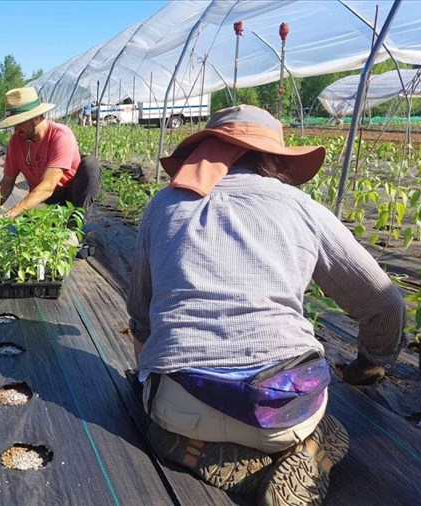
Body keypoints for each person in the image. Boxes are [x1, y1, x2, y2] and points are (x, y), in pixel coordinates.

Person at [126, 105, 405, 505]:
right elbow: (386, 303)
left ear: (206, 149)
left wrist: (149, 377)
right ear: (272, 157)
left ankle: (194, 449)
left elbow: (140, 317)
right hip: (287, 405)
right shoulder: (301, 208)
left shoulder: (163, 206)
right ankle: (304, 449)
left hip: (183, 408)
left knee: (158, 412)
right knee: (325, 421)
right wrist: (369, 363)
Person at [0, 87, 100, 231]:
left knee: (90, 164)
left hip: (69, 195)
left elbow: (48, 186)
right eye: (13, 124)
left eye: (19, 123)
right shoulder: (16, 141)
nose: (15, 129)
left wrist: (8, 216)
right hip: (44, 198)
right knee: (25, 232)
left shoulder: (61, 136)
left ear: (36, 117)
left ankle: (74, 229)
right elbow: (7, 182)